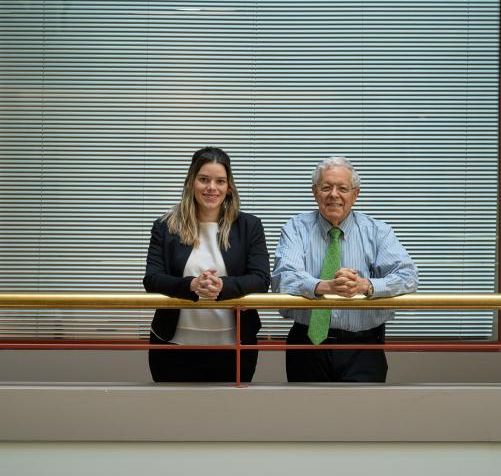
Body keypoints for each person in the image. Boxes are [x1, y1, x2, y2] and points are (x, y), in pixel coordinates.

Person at [271, 156, 418, 382]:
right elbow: (283, 278)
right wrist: (324, 286)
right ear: (315, 192)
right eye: (326, 187)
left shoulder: (378, 231)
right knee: (305, 413)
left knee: (362, 414)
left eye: (343, 188)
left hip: (364, 345)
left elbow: (408, 276)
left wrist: (366, 286)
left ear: (355, 194)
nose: (334, 194)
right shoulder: (295, 228)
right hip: (308, 343)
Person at [143, 147, 270, 382]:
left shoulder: (249, 226)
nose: (212, 188)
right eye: (204, 179)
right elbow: (152, 279)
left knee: (230, 417)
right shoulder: (165, 226)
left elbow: (261, 279)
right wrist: (191, 285)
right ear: (191, 182)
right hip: (172, 345)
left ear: (229, 186)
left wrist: (222, 286)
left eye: (220, 181)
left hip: (235, 346)